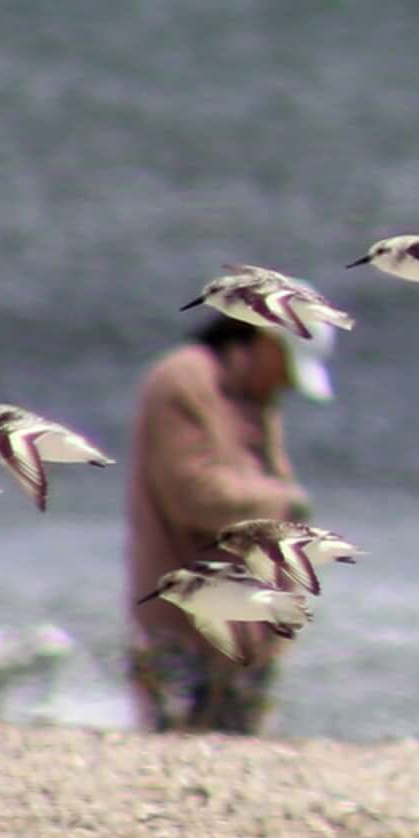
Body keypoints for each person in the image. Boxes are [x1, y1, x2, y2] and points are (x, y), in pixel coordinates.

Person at [124, 313, 319, 735]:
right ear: (266, 342)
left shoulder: (255, 400)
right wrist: (285, 503)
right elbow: (194, 495)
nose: (284, 384)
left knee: (238, 762)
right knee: (176, 758)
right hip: (184, 628)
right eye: (285, 367)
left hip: (250, 634)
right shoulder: (181, 383)